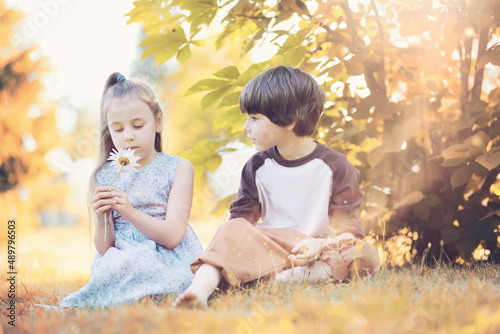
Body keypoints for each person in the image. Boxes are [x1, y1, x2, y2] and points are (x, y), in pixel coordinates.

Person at [174, 66, 380, 308]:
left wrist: (320, 244)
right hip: (271, 247)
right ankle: (198, 291)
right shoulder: (257, 166)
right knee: (229, 231)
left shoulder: (336, 166)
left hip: (317, 251)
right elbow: (241, 224)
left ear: (289, 121)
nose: (245, 127)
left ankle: (281, 278)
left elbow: (349, 231)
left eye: (254, 118)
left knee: (365, 254)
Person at [59, 73, 203, 308]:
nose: (128, 136)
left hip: (168, 255)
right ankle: (136, 295)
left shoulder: (178, 168)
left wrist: (130, 212)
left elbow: (173, 236)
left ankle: (140, 294)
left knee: (173, 273)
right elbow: (106, 248)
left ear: (158, 122)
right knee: (119, 265)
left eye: (138, 125)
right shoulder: (102, 176)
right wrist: (100, 216)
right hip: (122, 259)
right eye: (117, 129)